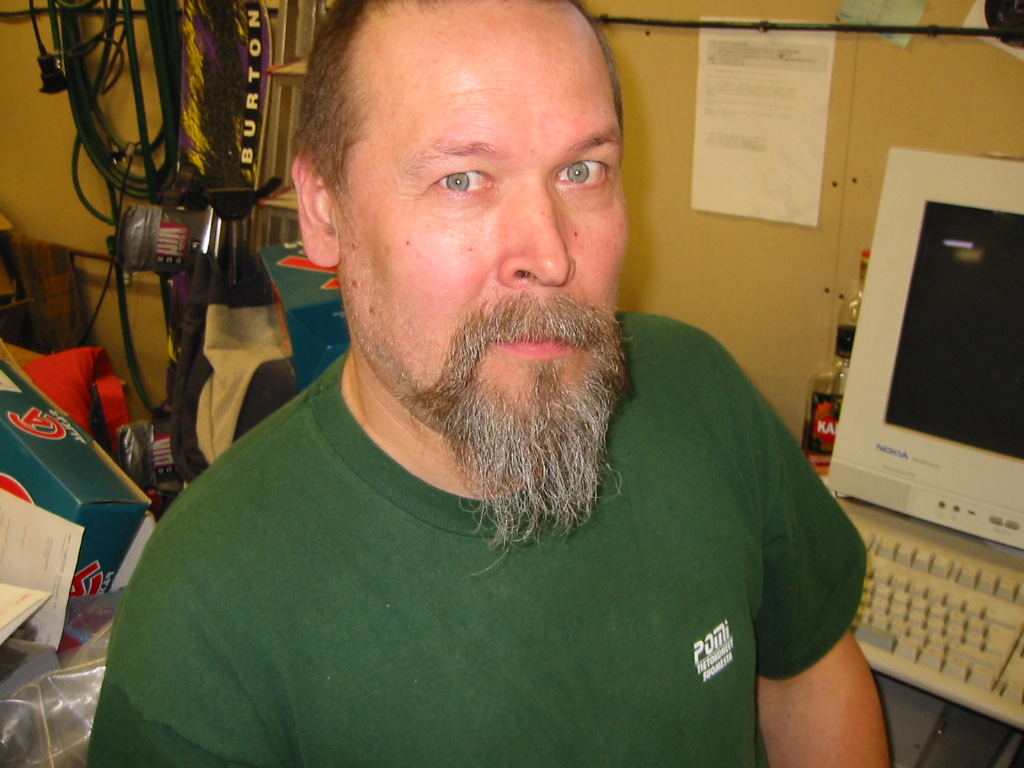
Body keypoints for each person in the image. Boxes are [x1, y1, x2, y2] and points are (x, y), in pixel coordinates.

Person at [89, 0, 890, 765]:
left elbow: (808, 676)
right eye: (463, 179)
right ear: (325, 212)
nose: (551, 255)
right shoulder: (203, 616)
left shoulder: (701, 392)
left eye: (582, 170)